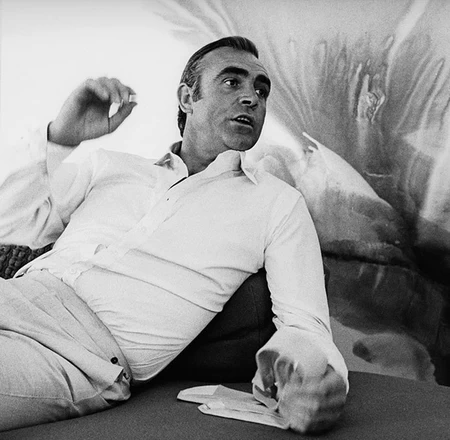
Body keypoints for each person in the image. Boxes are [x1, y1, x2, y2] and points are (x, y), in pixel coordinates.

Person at [0, 36, 347, 433]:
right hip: (14, 294)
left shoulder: (277, 204)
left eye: (261, 90)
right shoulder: (110, 166)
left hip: (79, 353)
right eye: (232, 82)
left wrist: (315, 381)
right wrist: (60, 137)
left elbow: (304, 323)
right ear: (187, 98)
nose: (252, 98)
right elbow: (11, 224)